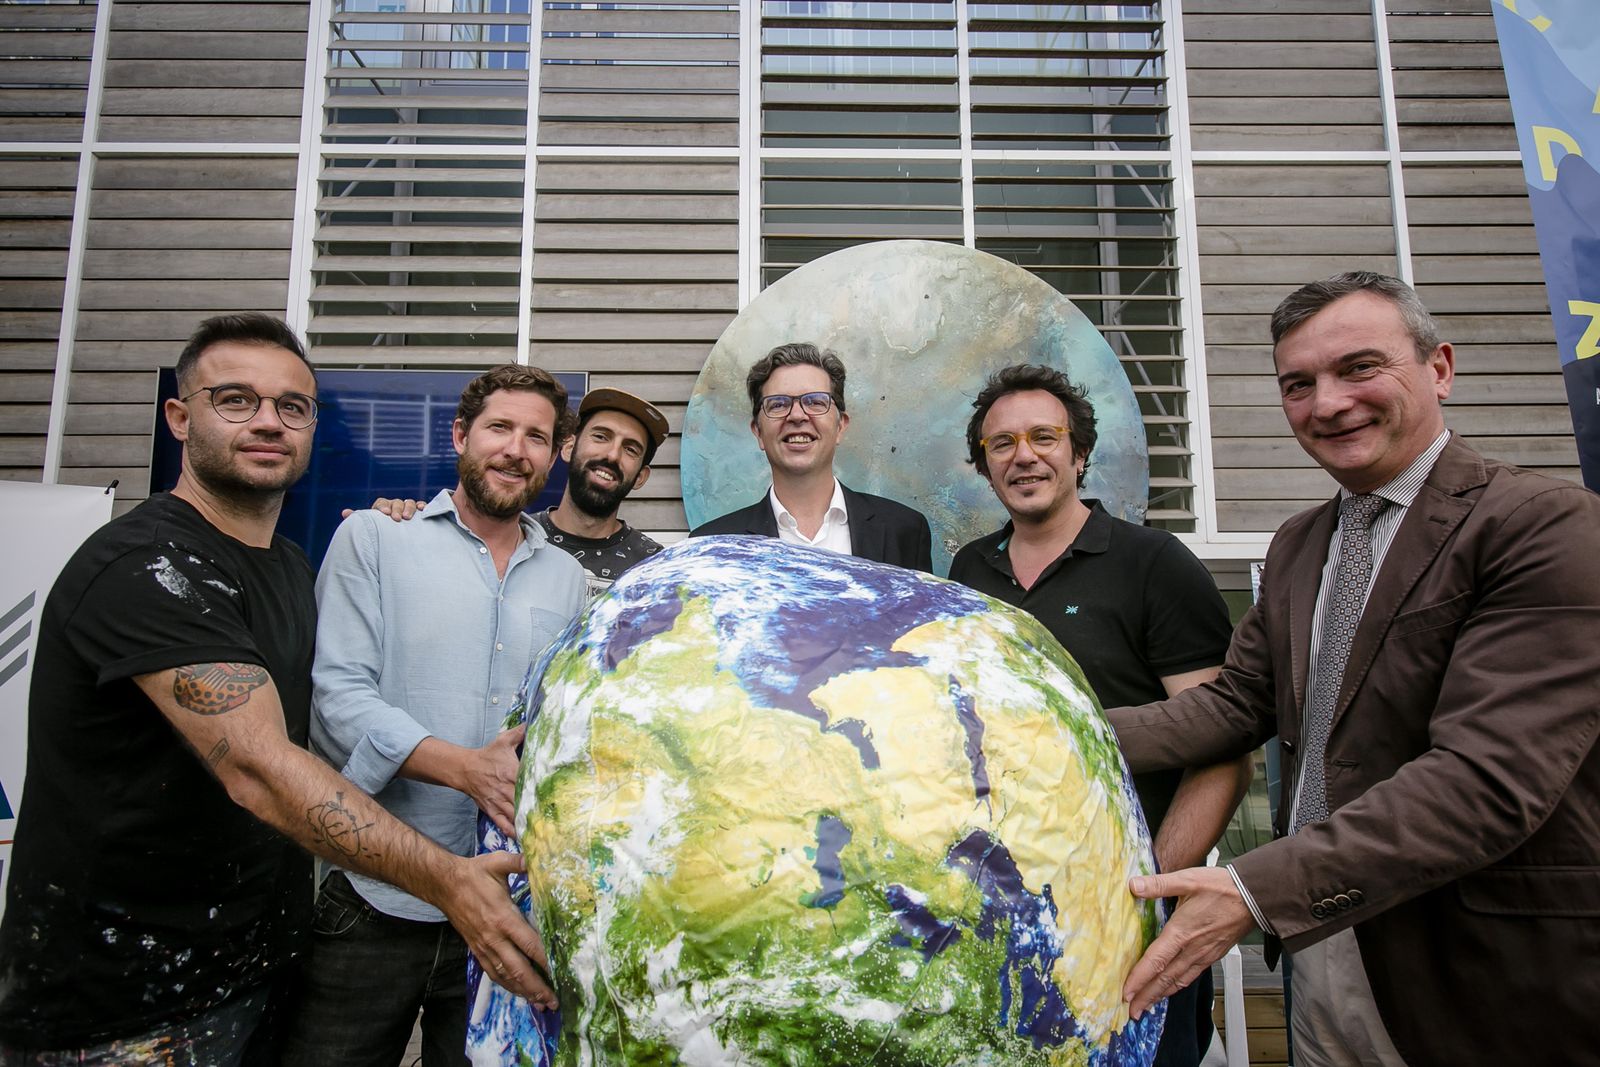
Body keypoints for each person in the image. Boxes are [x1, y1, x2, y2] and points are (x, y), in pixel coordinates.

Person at [0, 316, 554, 1066]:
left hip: (255, 967)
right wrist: (451, 875)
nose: (268, 420)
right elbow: (266, 761)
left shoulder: (290, 566)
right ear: (180, 416)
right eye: (236, 399)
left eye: (292, 407)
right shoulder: (145, 563)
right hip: (124, 1006)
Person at [1111, 272, 1600, 1067]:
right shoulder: (1300, 543)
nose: (1328, 403)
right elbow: (1235, 705)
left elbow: (1486, 779)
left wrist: (1252, 889)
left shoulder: (1542, 528)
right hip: (1319, 951)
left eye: (1359, 368)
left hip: (1475, 965)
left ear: (1439, 367)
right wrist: (1050, 729)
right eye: (1298, 384)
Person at [282, 365, 587, 1066]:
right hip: (373, 889)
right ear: (460, 435)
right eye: (500, 428)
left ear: (553, 455)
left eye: (536, 436)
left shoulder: (568, 579)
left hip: (506, 898)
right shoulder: (375, 539)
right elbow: (336, 699)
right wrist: (466, 770)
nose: (517, 449)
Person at [948, 363, 1250, 1067]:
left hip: (1131, 916)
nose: (1024, 455)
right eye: (1003, 443)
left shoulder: (1154, 564)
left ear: (1079, 453)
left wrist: (1146, 895)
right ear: (985, 467)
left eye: (1044, 437)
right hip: (1007, 918)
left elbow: (1225, 749)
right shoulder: (968, 572)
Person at [690, 342, 933, 572]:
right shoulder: (709, 546)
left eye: (815, 402)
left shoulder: (905, 531)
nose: (797, 416)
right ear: (758, 432)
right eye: (778, 405)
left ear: (840, 426)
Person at [536, 387, 668, 598]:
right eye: (601, 436)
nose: (612, 455)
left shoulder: (656, 567)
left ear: (641, 477)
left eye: (630, 449)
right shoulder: (517, 537)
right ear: (569, 447)